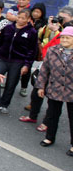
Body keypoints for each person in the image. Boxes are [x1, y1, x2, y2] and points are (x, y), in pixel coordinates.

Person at [22, 7, 73, 129]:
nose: (60, 19)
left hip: (64, 74)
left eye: (63, 18)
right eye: (58, 16)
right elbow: (43, 40)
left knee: (54, 102)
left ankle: (47, 123)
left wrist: (57, 32)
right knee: (36, 92)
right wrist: (49, 28)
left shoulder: (68, 30)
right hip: (49, 63)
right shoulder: (53, 26)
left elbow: (61, 43)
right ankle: (33, 115)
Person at [0, 9, 37, 114]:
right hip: (2, 58)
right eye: (19, 17)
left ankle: (5, 104)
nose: (20, 20)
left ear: (28, 19)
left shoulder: (32, 32)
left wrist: (27, 65)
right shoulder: (8, 28)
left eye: (23, 18)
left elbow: (32, 51)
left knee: (11, 84)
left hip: (17, 61)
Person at [35, 26, 73, 155]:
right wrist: (41, 86)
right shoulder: (53, 50)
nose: (64, 40)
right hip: (55, 88)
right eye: (62, 37)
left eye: (68, 37)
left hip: (71, 90)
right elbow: (44, 70)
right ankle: (49, 138)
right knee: (52, 115)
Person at [18, 2, 47, 97]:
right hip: (21, 46)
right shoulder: (27, 19)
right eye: (34, 11)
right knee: (14, 66)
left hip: (33, 48)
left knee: (27, 67)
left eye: (38, 12)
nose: (35, 14)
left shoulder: (44, 23)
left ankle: (24, 87)